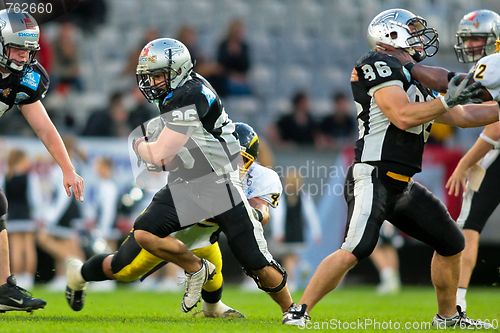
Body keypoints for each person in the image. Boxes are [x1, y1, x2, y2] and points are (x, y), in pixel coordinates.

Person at [283, 8, 498, 328]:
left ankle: (448, 316)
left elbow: (464, 116)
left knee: (452, 243)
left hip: (403, 185)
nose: (417, 37)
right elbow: (402, 115)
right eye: (410, 30)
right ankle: (298, 311)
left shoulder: (414, 77)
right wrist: (445, 102)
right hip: (373, 174)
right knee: (356, 248)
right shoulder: (376, 64)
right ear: (391, 35)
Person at [68, 38, 293, 315]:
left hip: (218, 186)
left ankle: (290, 311)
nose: (152, 82)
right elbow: (170, 158)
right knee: (127, 262)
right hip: (188, 188)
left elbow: (161, 155)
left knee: (253, 259)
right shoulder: (178, 93)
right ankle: (79, 275)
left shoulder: (189, 95)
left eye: (158, 75)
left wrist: (139, 145)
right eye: (150, 76)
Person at [66, 122, 285, 317]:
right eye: (228, 156)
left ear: (251, 162)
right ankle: (78, 274)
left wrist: (250, 214)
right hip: (170, 230)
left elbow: (262, 211)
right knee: (122, 269)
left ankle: (212, 308)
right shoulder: (201, 164)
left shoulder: (262, 178)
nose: (233, 164)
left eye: (240, 159)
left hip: (204, 233)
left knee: (214, 271)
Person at [0, 10, 84, 313]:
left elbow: (44, 127)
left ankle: (3, 290)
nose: (23, 56)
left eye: (27, 49)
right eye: (17, 48)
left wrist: (68, 168)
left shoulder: (26, 78)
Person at [447, 10, 500, 315]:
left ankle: (458, 302)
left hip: (495, 154)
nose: (469, 46)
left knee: (469, 224)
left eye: (476, 38)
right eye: (467, 39)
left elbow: (495, 128)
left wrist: (464, 163)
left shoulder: (493, 65)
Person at [3, 150, 41, 291]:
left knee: (16, 248)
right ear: (21, 160)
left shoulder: (6, 177)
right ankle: (28, 277)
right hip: (26, 216)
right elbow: (35, 199)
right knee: (28, 247)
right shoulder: (30, 177)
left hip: (12, 217)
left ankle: (18, 277)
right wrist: (38, 215)